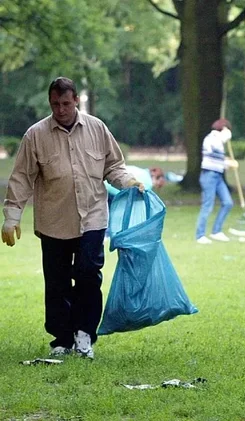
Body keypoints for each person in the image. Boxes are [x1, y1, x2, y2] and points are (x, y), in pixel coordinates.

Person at [2, 77, 145, 359]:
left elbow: (113, 166)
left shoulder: (97, 128)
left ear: (76, 100)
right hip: (54, 220)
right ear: (49, 103)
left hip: (92, 218)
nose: (61, 109)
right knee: (56, 282)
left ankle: (84, 336)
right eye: (55, 104)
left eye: (66, 103)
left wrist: (129, 182)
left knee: (88, 275)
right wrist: (12, 216)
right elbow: (21, 178)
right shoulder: (35, 135)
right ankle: (62, 339)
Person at [195, 118, 238, 244]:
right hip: (209, 175)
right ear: (223, 129)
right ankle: (200, 235)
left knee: (228, 202)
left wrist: (227, 162)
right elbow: (214, 157)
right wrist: (228, 163)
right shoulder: (212, 139)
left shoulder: (219, 141)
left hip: (218, 176)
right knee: (207, 205)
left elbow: (219, 159)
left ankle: (216, 231)